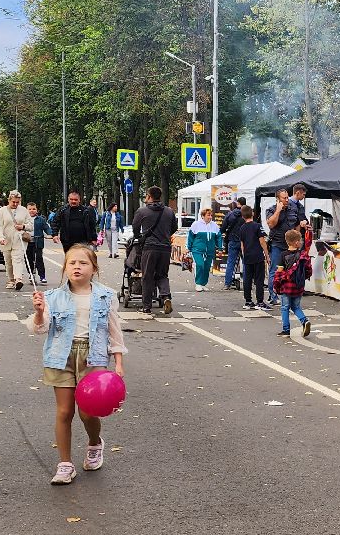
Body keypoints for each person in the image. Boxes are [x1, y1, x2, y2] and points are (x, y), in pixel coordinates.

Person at [29, 243, 126, 485]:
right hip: (61, 357)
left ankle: (94, 444)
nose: (77, 267)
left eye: (83, 263)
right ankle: (65, 464)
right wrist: (40, 312)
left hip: (92, 358)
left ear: (94, 268)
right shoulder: (52, 297)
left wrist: (118, 362)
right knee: (64, 411)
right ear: (64, 268)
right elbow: (39, 329)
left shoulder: (105, 295)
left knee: (87, 412)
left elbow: (114, 331)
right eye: (72, 263)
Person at [131, 185, 177, 317]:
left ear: (149, 197)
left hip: (149, 248)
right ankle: (165, 296)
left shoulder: (142, 211)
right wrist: (165, 235)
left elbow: (135, 229)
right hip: (165, 248)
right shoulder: (169, 211)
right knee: (162, 275)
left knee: (147, 276)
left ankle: (146, 307)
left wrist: (141, 237)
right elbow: (174, 227)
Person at [264, 186, 308, 307]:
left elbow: (296, 224)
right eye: (284, 198)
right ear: (277, 199)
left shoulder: (292, 209)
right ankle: (273, 296)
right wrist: (278, 210)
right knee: (275, 270)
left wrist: (299, 234)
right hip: (277, 244)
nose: (287, 200)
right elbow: (271, 224)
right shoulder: (271, 210)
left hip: (290, 245)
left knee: (290, 270)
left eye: (287, 197)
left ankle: (288, 293)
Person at [273, 227, 313, 336]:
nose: (301, 242)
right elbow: (308, 270)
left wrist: (276, 284)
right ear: (296, 243)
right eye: (300, 240)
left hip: (287, 286)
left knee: (285, 307)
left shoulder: (283, 255)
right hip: (299, 285)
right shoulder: (302, 255)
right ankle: (304, 321)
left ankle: (286, 329)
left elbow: (279, 272)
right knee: (296, 306)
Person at [0, 190, 31, 290]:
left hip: (19, 240)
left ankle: (18, 279)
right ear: (9, 200)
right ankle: (11, 280)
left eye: (17, 202)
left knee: (17, 259)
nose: (15, 204)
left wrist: (23, 226)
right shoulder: (1, 211)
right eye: (13, 202)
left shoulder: (24, 210)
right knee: (8, 261)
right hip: (6, 240)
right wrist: (0, 237)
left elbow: (31, 225)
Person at [237, 205, 269, 310]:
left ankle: (248, 301)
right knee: (259, 279)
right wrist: (267, 255)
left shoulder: (241, 228)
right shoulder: (257, 226)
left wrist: (244, 255)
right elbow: (262, 241)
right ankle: (260, 301)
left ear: (242, 216)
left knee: (247, 279)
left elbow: (242, 244)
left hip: (247, 256)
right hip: (258, 255)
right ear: (253, 214)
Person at [188, 209, 222, 292]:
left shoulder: (214, 225)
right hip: (197, 249)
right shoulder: (196, 224)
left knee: (207, 267)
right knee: (200, 264)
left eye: (211, 215)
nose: (210, 217)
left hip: (210, 250)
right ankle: (198, 283)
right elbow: (190, 237)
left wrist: (220, 249)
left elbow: (219, 237)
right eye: (208, 215)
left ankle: (203, 284)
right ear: (203, 216)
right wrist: (188, 248)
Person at [221, 197, 246, 289]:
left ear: (237, 203)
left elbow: (223, 228)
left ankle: (227, 283)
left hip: (233, 240)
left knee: (231, 262)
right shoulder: (247, 214)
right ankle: (246, 283)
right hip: (245, 241)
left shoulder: (230, 214)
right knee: (246, 262)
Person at [26, 203, 49, 284]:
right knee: (29, 259)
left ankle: (42, 276)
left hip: (38, 242)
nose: (32, 211)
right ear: (26, 210)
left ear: (37, 210)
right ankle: (31, 274)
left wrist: (52, 235)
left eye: (34, 209)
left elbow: (46, 228)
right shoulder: (25, 219)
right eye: (30, 209)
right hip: (27, 242)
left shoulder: (41, 219)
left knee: (39, 258)